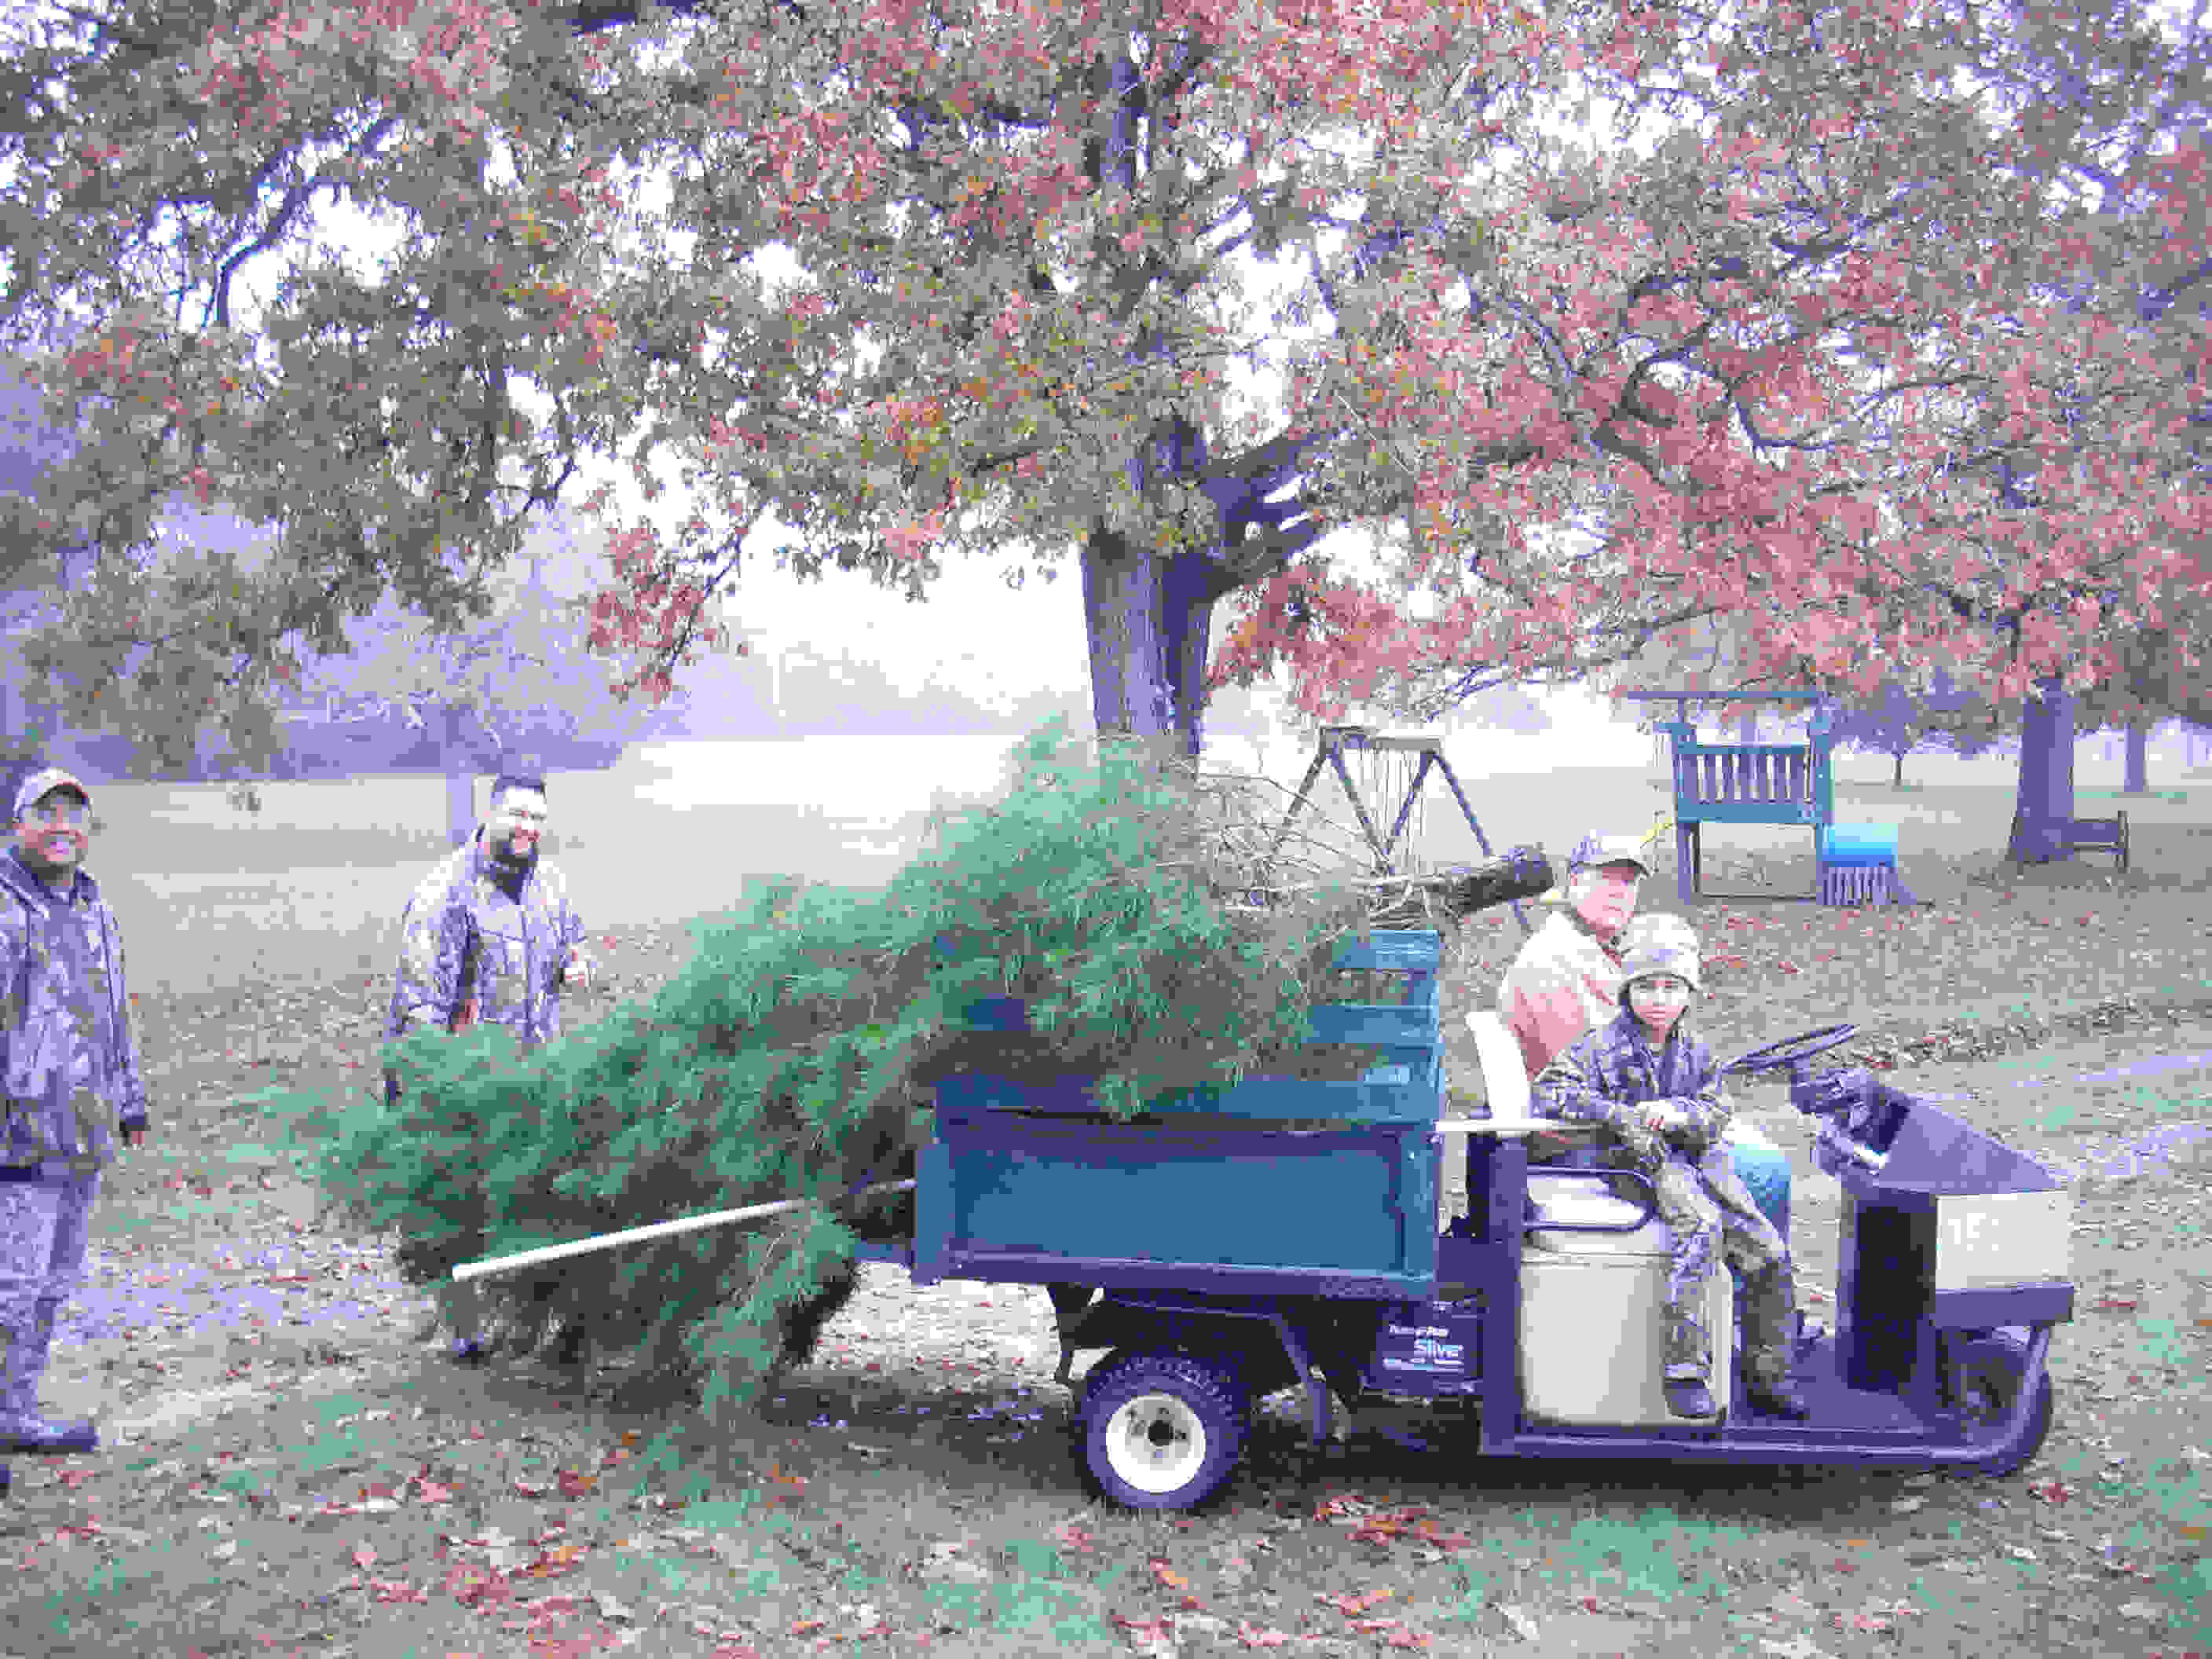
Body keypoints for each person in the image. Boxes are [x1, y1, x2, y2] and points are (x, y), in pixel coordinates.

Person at [1532, 913, 1809, 1422]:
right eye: (1647, 987)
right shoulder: (1599, 1048)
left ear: (1688, 993)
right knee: (1700, 1228)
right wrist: (1620, 1114)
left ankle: (1769, 1373)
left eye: (1670, 987)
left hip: (1702, 1162)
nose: (1658, 998)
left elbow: (1718, 1107)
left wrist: (1684, 1113)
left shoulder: (1696, 1052)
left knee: (1767, 1248)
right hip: (1640, 1167)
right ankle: (1684, 1373)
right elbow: (1551, 1092)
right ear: (1627, 992)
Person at [383, 772, 591, 1364]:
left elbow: (571, 946)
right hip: (471, 1080)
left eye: (538, 820)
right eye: (518, 815)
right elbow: (419, 1001)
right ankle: (464, 1329)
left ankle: (525, 1319)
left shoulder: (550, 885)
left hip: (537, 1074)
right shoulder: (446, 893)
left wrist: (574, 967)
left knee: (528, 1197)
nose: (528, 829)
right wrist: (428, 1084)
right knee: (460, 1205)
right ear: (492, 813)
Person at [1494, 830, 1794, 1236]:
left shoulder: (1593, 950)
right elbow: (1579, 1087)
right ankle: (1738, 1293)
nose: (1619, 892)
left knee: (1740, 1142)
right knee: (1766, 1172)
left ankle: (1746, 1281)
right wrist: (1678, 1112)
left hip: (1620, 1125)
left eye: (1629, 881)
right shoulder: (1550, 966)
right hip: (1585, 1143)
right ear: (1573, 883)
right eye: (1604, 878)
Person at [0, 767, 152, 1456]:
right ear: (18, 823)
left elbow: (115, 1012)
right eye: (46, 812)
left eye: (74, 814)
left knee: (52, 1287)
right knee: (10, 1288)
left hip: (84, 1129)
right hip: (17, 1137)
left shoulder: (94, 905)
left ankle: (16, 1413)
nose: (62, 826)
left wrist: (131, 1098)